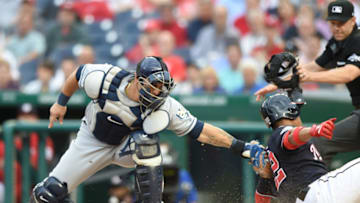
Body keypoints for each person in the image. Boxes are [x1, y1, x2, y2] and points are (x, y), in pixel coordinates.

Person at [30, 56, 262, 203]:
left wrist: (240, 147)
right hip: (91, 139)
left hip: (125, 147)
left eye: (164, 86)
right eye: (155, 85)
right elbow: (77, 74)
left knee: (146, 145)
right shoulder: (104, 78)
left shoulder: (166, 106)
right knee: (47, 194)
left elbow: (202, 131)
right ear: (139, 81)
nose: (161, 92)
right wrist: (60, 103)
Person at [254, 0, 360, 166]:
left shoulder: (357, 40)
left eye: (341, 23)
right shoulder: (337, 42)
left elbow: (349, 73)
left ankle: (313, 190)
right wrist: (278, 83)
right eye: (333, 23)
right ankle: (316, 190)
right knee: (320, 144)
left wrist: (308, 76)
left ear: (353, 21)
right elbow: (316, 65)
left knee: (320, 144)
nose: (337, 27)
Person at [251, 93, 360, 203]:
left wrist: (265, 177)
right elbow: (291, 137)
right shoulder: (281, 132)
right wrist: (313, 130)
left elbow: (260, 199)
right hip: (318, 192)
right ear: (292, 111)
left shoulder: (275, 158)